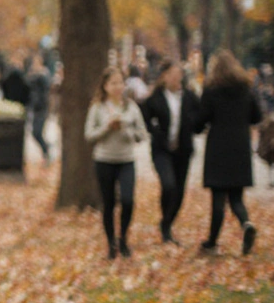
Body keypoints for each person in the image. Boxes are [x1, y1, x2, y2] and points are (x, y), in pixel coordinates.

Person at [196, 49, 263, 256]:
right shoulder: (245, 89)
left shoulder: (211, 90)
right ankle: (246, 223)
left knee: (218, 198)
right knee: (236, 197)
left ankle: (212, 242)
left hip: (218, 147)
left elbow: (200, 121)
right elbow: (256, 116)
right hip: (240, 146)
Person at [85, 66, 148, 259]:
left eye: (120, 82)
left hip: (126, 160)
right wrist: (107, 127)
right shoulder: (97, 107)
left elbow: (142, 135)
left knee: (128, 201)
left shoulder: (131, 107)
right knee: (109, 203)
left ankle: (124, 239)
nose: (117, 86)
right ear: (105, 86)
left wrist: (125, 129)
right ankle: (111, 243)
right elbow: (89, 135)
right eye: (113, 83)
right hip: (104, 160)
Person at [141, 60, 201, 245]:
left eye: (179, 74)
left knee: (180, 191)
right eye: (172, 74)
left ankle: (166, 224)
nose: (176, 78)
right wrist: (156, 131)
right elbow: (145, 118)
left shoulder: (190, 97)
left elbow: (199, 119)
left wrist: (191, 124)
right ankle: (165, 225)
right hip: (162, 150)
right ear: (164, 76)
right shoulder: (155, 97)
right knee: (168, 185)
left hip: (183, 150)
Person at [26, 55, 52, 164]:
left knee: (37, 132)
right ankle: (46, 150)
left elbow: (45, 86)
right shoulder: (33, 75)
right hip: (35, 107)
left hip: (42, 107)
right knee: (34, 132)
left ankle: (47, 151)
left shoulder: (43, 74)